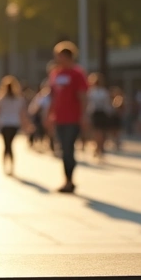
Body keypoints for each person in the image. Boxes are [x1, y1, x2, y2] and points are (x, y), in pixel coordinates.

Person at [46, 42, 88, 193]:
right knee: (63, 148)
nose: (57, 59)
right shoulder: (55, 74)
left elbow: (83, 96)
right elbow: (52, 96)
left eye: (60, 56)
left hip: (73, 118)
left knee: (68, 148)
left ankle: (69, 181)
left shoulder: (77, 74)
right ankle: (67, 179)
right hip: (59, 118)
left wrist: (83, 115)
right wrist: (49, 115)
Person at [0, 76, 27, 176]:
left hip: (4, 123)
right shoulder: (19, 99)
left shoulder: (0, 98)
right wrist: (26, 125)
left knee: (6, 145)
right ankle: (11, 166)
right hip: (14, 124)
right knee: (10, 145)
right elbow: (22, 114)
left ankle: (5, 165)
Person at [86, 73, 112, 160]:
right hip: (101, 113)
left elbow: (89, 105)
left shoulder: (92, 93)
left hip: (97, 113)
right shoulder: (103, 92)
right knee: (100, 132)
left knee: (97, 132)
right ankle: (99, 147)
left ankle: (98, 147)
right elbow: (107, 105)